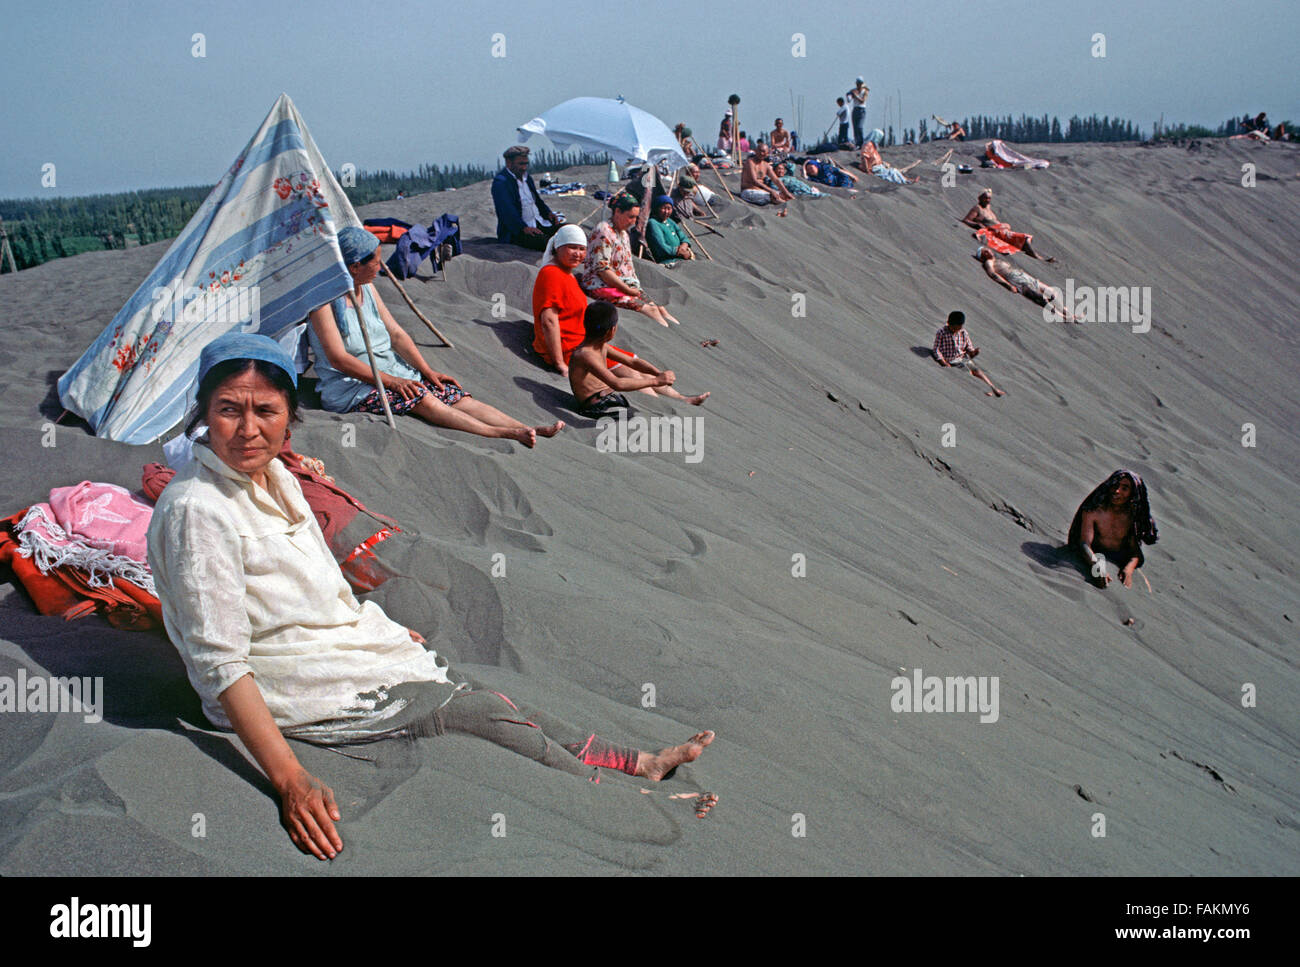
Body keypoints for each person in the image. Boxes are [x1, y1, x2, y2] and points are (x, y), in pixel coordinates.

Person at [147, 333, 715, 859]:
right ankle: (624, 799)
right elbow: (221, 664)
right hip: (283, 684)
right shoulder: (198, 511)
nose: (248, 429)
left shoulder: (278, 477)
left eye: (265, 411)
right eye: (228, 409)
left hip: (335, 652)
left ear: (288, 420)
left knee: (482, 694)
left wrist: (373, 631)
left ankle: (636, 764)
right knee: (476, 710)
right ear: (204, 414)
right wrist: (291, 780)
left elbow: (321, 584)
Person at [308, 227, 563, 446]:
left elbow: (396, 335)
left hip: (390, 372)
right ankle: (500, 433)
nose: (380, 266)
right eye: (374, 261)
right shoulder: (323, 304)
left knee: (450, 392)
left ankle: (525, 427)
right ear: (354, 267)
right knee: (421, 397)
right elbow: (339, 359)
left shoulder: (368, 289)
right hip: (353, 386)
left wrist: (426, 370)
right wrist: (392, 382)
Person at [568, 303, 709, 418]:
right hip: (594, 406)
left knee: (637, 383)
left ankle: (681, 400)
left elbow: (633, 362)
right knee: (641, 417)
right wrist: (656, 381)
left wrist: (657, 373)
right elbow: (616, 383)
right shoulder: (585, 355)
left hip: (605, 397)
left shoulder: (600, 346)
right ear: (611, 330)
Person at [580, 192, 680, 326]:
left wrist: (633, 287)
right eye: (630, 217)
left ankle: (678, 333)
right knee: (651, 310)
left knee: (660, 308)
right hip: (602, 285)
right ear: (617, 212)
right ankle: (665, 335)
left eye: (635, 217)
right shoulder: (604, 231)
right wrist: (627, 290)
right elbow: (603, 270)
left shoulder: (623, 233)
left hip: (625, 283)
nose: (633, 222)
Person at [1067, 470, 1158, 589]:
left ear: (1132, 493)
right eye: (1115, 486)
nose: (1117, 491)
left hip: (1117, 559)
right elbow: (1084, 544)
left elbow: (1136, 554)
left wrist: (1128, 570)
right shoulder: (1093, 511)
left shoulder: (1131, 517)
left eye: (1124, 488)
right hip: (1093, 556)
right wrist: (1097, 567)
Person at [491, 145, 562, 251]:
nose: (524, 167)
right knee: (548, 243)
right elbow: (506, 211)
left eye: (526, 164)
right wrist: (523, 228)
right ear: (509, 163)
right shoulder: (501, 182)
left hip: (539, 223)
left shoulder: (527, 178)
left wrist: (548, 213)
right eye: (521, 164)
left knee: (569, 231)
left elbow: (537, 200)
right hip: (518, 232)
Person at [975, 246, 1075, 321]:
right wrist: (1008, 285)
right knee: (1040, 298)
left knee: (1051, 293)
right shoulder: (989, 262)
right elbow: (993, 274)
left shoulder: (997, 260)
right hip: (1016, 280)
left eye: (987, 250)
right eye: (985, 251)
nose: (988, 251)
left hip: (1024, 276)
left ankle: (1067, 312)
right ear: (982, 256)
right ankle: (1062, 316)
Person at [961, 189, 1055, 261]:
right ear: (980, 198)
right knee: (1025, 238)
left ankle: (1037, 256)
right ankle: (1038, 258)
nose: (988, 200)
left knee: (1024, 242)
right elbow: (966, 220)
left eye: (989, 198)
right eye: (985, 197)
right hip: (997, 233)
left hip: (1003, 232)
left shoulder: (988, 208)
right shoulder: (977, 208)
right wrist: (977, 225)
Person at [932, 310, 1005, 397]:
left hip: (963, 358)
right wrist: (943, 362)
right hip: (951, 361)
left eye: (959, 327)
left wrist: (973, 352)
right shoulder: (941, 332)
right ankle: (983, 391)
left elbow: (969, 348)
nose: (956, 330)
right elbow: (936, 349)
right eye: (954, 327)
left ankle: (993, 388)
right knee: (967, 373)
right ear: (949, 323)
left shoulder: (963, 333)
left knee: (976, 370)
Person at [646, 195, 695, 263]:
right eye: (663, 208)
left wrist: (684, 246)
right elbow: (661, 247)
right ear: (657, 208)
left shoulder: (670, 221)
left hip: (681, 255)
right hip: (668, 260)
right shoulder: (653, 223)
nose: (666, 211)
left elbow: (682, 236)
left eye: (669, 209)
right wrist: (678, 252)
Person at [846, 77, 870, 147]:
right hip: (855, 109)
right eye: (857, 84)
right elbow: (849, 100)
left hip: (861, 110)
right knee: (855, 127)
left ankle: (861, 142)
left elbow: (862, 101)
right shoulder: (854, 91)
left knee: (859, 127)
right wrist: (849, 95)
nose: (858, 85)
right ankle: (857, 143)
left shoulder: (865, 91)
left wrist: (855, 95)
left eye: (859, 84)